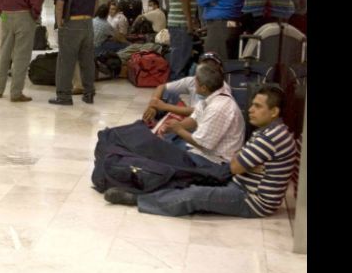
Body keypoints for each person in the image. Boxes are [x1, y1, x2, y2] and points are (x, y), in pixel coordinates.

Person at [106, 85, 296, 218]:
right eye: (252, 104)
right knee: (193, 180)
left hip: (252, 200)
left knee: (195, 195)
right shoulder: (270, 132)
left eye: (258, 106)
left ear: (274, 112)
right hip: (239, 184)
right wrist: (248, 165)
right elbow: (238, 161)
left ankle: (140, 200)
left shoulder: (270, 137)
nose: (251, 110)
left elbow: (236, 166)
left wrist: (243, 165)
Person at [159, 64, 245, 165]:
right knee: (162, 144)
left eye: (196, 80)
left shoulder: (218, 108)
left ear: (204, 88)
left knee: (163, 156)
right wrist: (173, 127)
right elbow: (194, 119)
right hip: (204, 152)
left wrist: (178, 129)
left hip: (215, 161)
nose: (193, 81)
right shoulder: (211, 97)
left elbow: (202, 144)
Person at [50, 0, 99, 106]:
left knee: (66, 61)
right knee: (87, 61)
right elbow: (96, 3)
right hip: (88, 24)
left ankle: (64, 96)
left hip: (71, 24)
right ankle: (89, 94)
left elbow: (60, 5)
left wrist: (60, 23)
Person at [142, 52, 228, 122]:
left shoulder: (222, 88)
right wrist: (153, 105)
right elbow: (162, 87)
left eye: (212, 66)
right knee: (167, 93)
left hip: (201, 125)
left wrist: (164, 106)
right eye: (205, 65)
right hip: (192, 118)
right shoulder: (193, 81)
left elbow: (199, 113)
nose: (208, 69)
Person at [167, 0, 200, 80]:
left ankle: (173, 88)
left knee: (179, 56)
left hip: (178, 23)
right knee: (180, 58)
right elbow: (184, 2)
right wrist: (189, 23)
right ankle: (173, 92)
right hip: (180, 24)